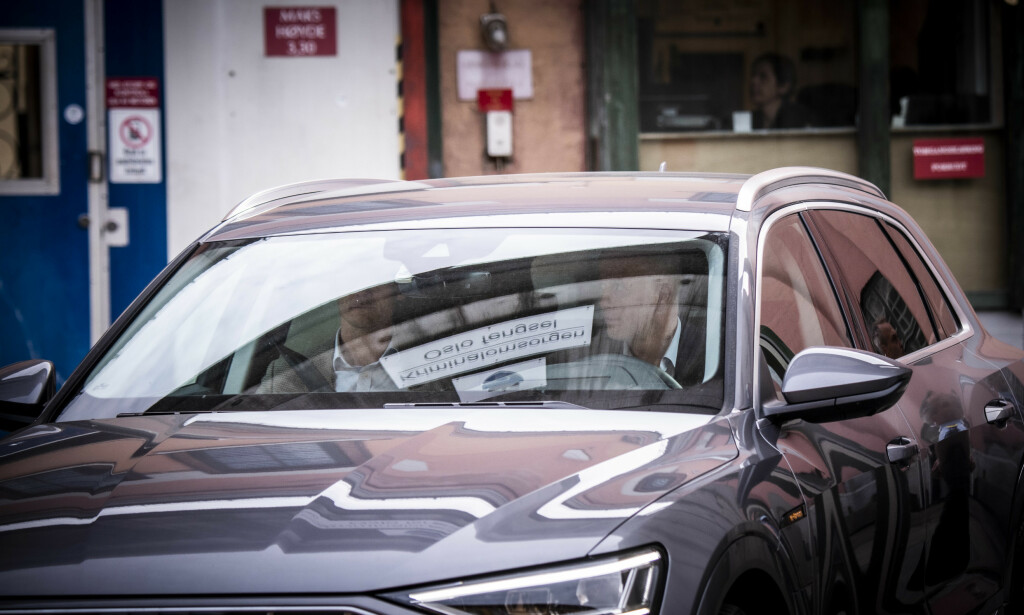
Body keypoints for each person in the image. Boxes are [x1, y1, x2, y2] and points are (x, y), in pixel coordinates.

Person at [259, 283, 400, 393]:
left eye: (374, 278)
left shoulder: (421, 359)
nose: (361, 290)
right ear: (336, 292)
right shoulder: (286, 372)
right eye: (351, 280)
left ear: (398, 290)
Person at [597, 254, 683, 374]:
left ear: (663, 295)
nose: (602, 303)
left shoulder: (712, 353)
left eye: (618, 287)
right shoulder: (592, 358)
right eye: (602, 287)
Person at [749, 52, 815, 130]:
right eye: (753, 75)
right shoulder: (752, 120)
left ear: (783, 86)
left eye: (763, 76)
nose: (754, 81)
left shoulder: (799, 120)